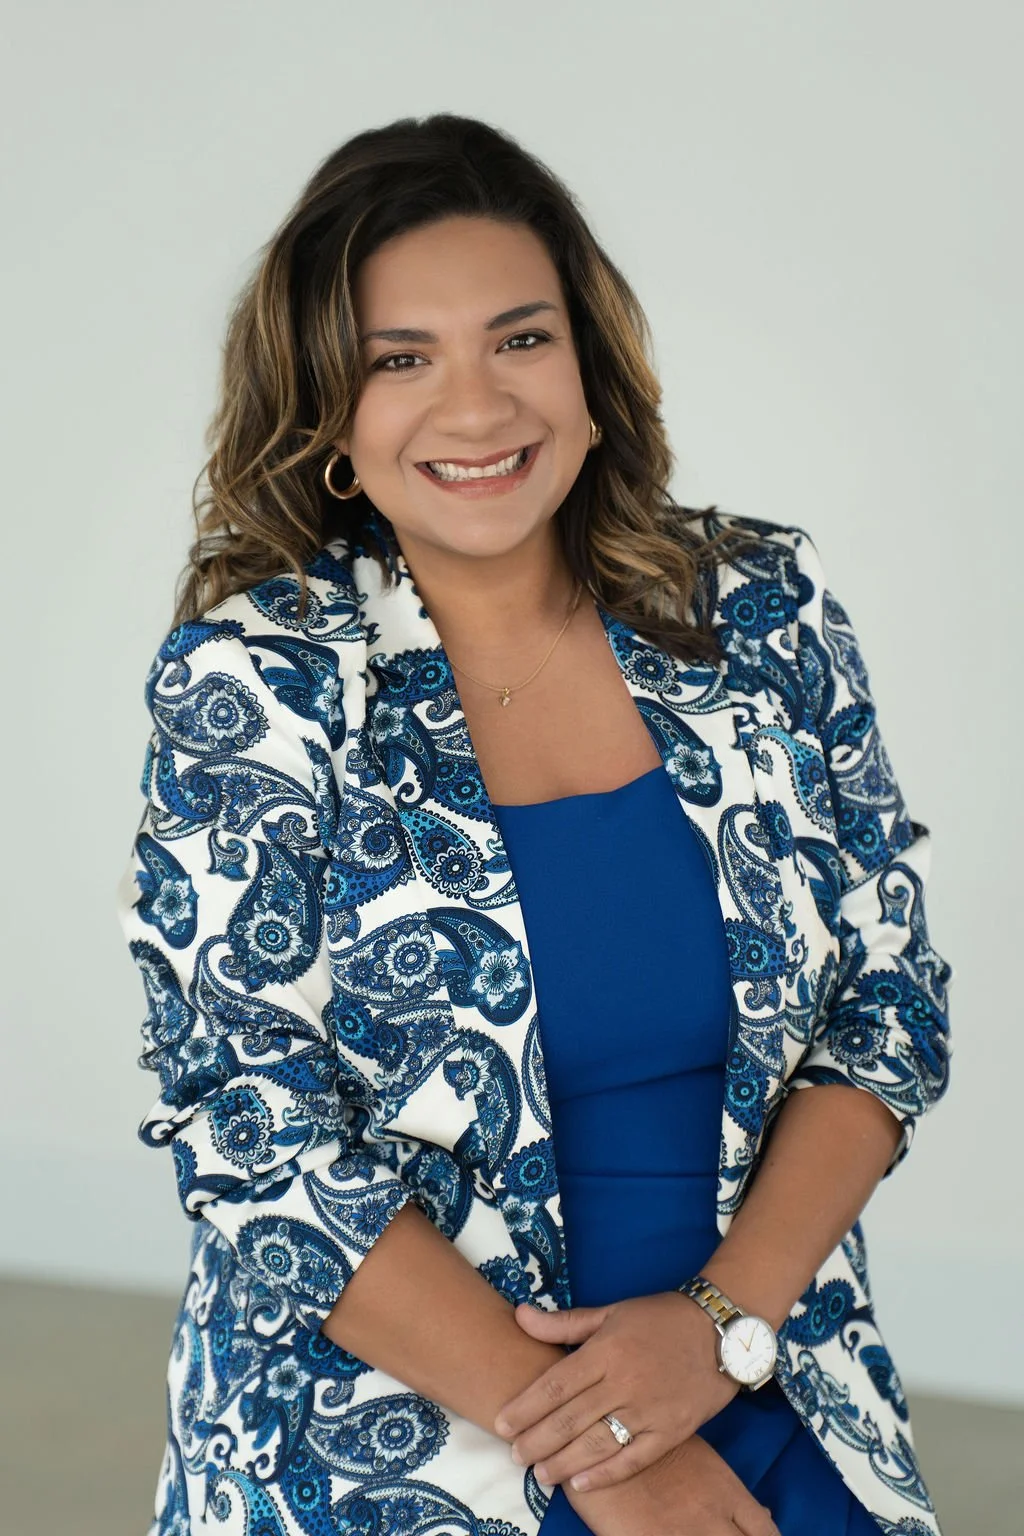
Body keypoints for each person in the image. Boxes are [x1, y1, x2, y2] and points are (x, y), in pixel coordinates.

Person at [116, 113, 953, 1536]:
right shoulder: (255, 681)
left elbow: (887, 1005)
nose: (479, 408)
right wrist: (612, 1450)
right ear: (327, 408)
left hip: (758, 1374)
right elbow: (253, 1132)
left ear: (589, 364)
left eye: (520, 340)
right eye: (401, 359)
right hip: (402, 1437)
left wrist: (716, 1333)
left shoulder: (757, 610)